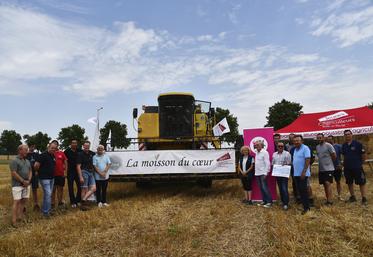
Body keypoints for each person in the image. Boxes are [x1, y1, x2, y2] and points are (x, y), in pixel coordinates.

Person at [341, 130, 368, 205]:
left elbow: (364, 155)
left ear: (351, 135)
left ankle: (364, 198)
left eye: (348, 134)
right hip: (347, 168)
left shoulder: (358, 144)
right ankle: (353, 197)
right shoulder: (344, 145)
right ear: (344, 136)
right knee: (349, 182)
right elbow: (343, 155)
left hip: (357, 167)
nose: (347, 136)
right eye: (346, 134)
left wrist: (360, 163)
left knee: (361, 182)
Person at [10, 144, 32, 227]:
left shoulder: (27, 161)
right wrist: (23, 181)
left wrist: (29, 180)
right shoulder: (14, 161)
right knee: (17, 201)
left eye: (27, 150)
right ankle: (14, 221)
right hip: (17, 185)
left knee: (23, 201)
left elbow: (30, 171)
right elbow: (13, 173)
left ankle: (20, 217)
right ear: (20, 150)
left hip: (26, 184)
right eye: (25, 150)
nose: (27, 151)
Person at [35, 142, 57, 217]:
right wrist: (38, 172)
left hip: (52, 178)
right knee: (48, 194)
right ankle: (46, 212)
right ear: (48, 147)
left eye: (55, 148)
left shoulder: (53, 156)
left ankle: (46, 210)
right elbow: (36, 165)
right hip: (44, 178)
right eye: (52, 148)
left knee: (47, 195)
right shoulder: (43, 155)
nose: (53, 149)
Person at [292, 135, 311, 214]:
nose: (296, 142)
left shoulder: (305, 148)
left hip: (303, 174)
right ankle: (304, 206)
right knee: (300, 191)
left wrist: (304, 171)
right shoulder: (295, 149)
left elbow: (307, 159)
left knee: (303, 191)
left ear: (302, 141)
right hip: (296, 174)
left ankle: (307, 208)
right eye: (295, 140)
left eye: (298, 140)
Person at [316, 133, 336, 205]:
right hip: (321, 169)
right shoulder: (317, 147)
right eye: (318, 138)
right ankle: (327, 199)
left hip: (329, 168)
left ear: (324, 138)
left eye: (320, 137)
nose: (319, 139)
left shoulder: (328, 145)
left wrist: (329, 163)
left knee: (328, 183)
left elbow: (334, 155)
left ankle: (330, 201)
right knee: (324, 184)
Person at [77, 141, 96, 211]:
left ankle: (84, 200)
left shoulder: (92, 153)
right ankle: (84, 206)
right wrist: (80, 176)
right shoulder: (80, 154)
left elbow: (99, 155)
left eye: (88, 146)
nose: (87, 147)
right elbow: (78, 166)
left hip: (91, 173)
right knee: (84, 189)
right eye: (85, 146)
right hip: (84, 172)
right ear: (83, 146)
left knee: (94, 188)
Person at [272, 142, 292, 210]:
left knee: (284, 188)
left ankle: (286, 203)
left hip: (284, 174)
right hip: (277, 174)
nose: (280, 147)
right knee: (280, 188)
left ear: (284, 147)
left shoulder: (287, 154)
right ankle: (283, 201)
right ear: (277, 147)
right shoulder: (274, 154)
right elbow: (273, 163)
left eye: (282, 146)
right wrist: (275, 167)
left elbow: (289, 164)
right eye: (279, 146)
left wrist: (285, 166)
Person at [254, 141, 272, 208]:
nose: (257, 146)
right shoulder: (257, 152)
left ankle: (269, 202)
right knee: (261, 188)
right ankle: (264, 201)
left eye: (258, 145)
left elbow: (267, 163)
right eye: (256, 145)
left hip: (263, 173)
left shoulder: (264, 152)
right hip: (257, 173)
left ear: (262, 145)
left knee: (265, 188)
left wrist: (266, 172)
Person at [64, 139, 82, 208]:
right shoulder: (67, 151)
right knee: (70, 187)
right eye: (73, 143)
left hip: (78, 171)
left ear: (77, 144)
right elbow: (64, 160)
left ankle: (78, 200)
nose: (74, 144)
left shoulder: (80, 151)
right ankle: (72, 202)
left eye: (75, 143)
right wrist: (65, 171)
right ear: (70, 144)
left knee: (80, 186)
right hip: (70, 172)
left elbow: (87, 152)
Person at [51, 140, 68, 208]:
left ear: (57, 145)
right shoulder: (50, 153)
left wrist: (66, 172)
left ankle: (60, 202)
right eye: (53, 144)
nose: (55, 146)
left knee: (60, 189)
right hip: (52, 175)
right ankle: (52, 203)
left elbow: (66, 162)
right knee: (53, 189)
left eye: (56, 144)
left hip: (61, 174)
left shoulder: (61, 153)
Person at [326, 135, 343, 200]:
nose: (329, 140)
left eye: (331, 139)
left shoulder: (338, 146)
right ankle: (330, 197)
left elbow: (343, 154)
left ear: (333, 139)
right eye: (328, 139)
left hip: (337, 166)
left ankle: (339, 195)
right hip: (328, 167)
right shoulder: (326, 146)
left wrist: (341, 163)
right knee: (328, 182)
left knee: (338, 181)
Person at [26, 143, 40, 211]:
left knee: (35, 190)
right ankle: (24, 206)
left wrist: (37, 170)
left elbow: (39, 163)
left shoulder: (36, 154)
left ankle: (36, 204)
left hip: (35, 175)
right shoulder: (25, 154)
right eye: (31, 146)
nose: (33, 148)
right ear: (29, 147)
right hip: (27, 175)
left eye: (34, 146)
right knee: (26, 190)